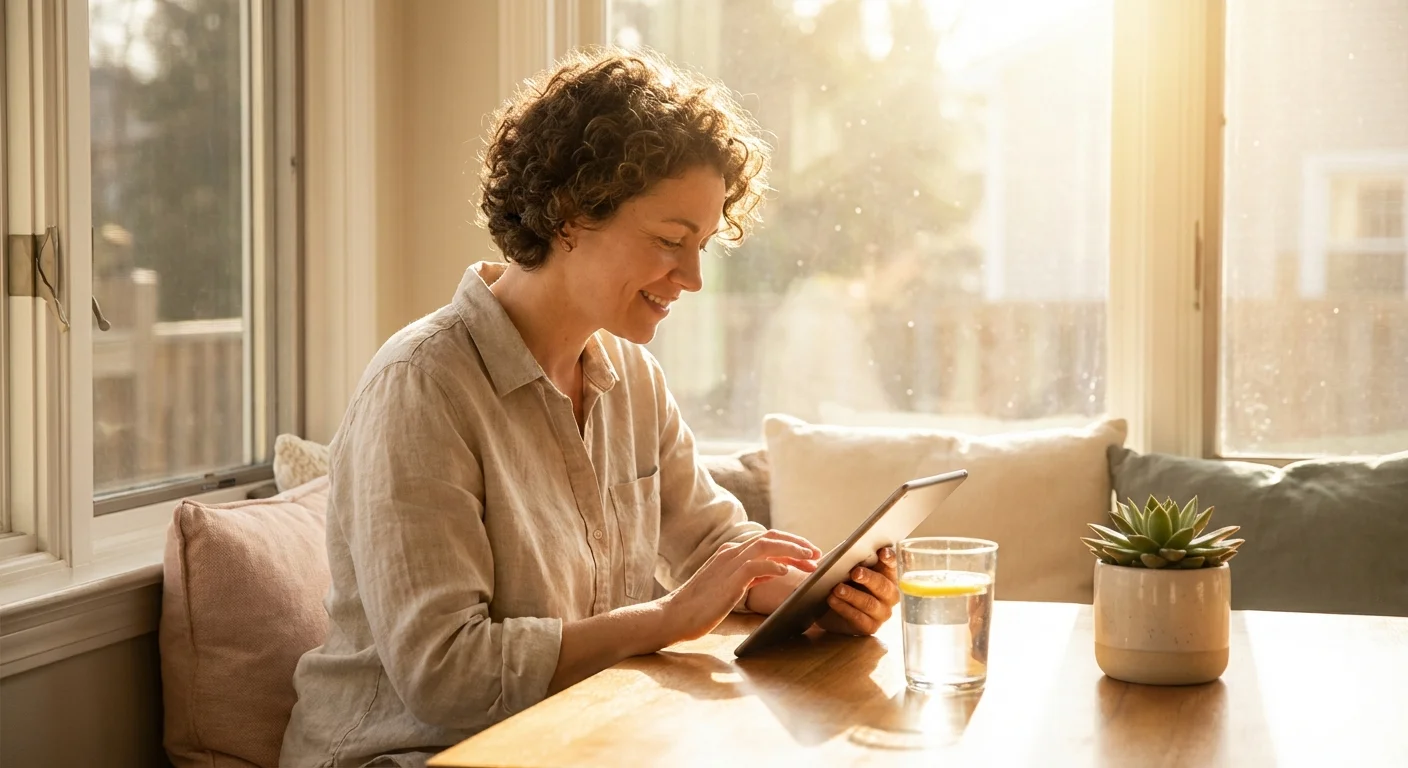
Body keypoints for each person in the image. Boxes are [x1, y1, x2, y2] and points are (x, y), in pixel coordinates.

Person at [279, 49, 901, 768]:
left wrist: (821, 597)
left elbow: (714, 550)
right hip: (410, 754)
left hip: (573, 738)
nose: (693, 279)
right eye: (671, 242)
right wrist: (665, 620)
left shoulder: (632, 379)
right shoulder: (421, 387)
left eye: (702, 247)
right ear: (571, 215)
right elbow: (445, 676)